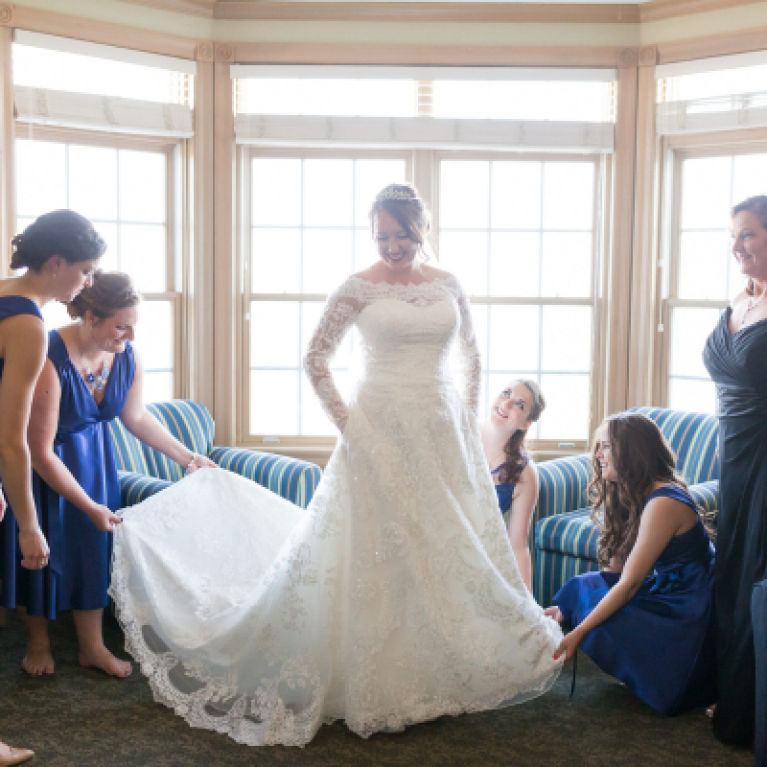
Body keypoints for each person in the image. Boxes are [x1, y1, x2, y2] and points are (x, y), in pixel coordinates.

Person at [108, 182, 564, 747]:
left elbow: (471, 354)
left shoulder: (448, 284)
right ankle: (377, 677)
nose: (393, 246)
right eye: (382, 236)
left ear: (421, 230)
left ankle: (432, 667)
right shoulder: (357, 287)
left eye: (402, 235)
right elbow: (314, 357)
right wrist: (351, 425)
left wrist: (466, 423)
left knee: (441, 545)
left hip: (442, 430)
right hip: (376, 428)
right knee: (379, 545)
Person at [2, 272, 215, 678]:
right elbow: (40, 451)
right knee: (42, 553)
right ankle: (39, 641)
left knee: (94, 550)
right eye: (120, 326)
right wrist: (87, 504)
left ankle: (92, 647)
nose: (129, 336)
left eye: (134, 326)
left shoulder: (127, 355)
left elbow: (135, 417)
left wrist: (188, 457)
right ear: (90, 318)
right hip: (47, 465)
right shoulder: (48, 356)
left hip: (96, 462)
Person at [0, 210, 106, 765]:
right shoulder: (28, 326)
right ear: (58, 263)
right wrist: (29, 525)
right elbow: (15, 442)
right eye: (86, 271)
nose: (87, 283)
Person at [544, 413, 716, 716]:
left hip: (692, 605)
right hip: (667, 588)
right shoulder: (631, 492)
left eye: (606, 447)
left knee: (599, 617)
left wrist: (578, 631)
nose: (598, 455)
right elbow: (614, 572)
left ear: (632, 452)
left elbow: (628, 586)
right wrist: (571, 608)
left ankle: (674, 676)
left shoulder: (664, 501)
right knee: (581, 587)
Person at [703, 194, 767, 747]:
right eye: (733, 236)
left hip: (766, 459)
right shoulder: (741, 298)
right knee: (730, 576)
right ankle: (728, 692)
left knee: (754, 581)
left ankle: (750, 714)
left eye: (747, 235)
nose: (736, 247)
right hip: (735, 457)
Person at [480, 379, 545, 593]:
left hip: (480, 562)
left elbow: (518, 546)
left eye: (519, 405)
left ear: (526, 423)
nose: (506, 404)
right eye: (506, 393)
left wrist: (527, 604)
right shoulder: (459, 437)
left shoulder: (525, 473)